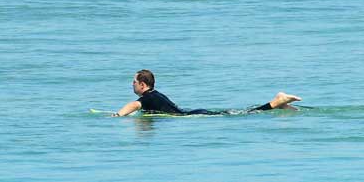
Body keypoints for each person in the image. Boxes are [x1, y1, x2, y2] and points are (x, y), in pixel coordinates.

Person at [115, 69, 300, 117]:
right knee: (242, 112)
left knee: (244, 115)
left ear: (142, 84)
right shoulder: (155, 94)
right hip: (195, 112)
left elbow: (133, 105)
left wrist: (116, 115)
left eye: (133, 82)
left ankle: (276, 101)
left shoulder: (146, 99)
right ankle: (279, 104)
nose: (131, 85)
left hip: (192, 115)